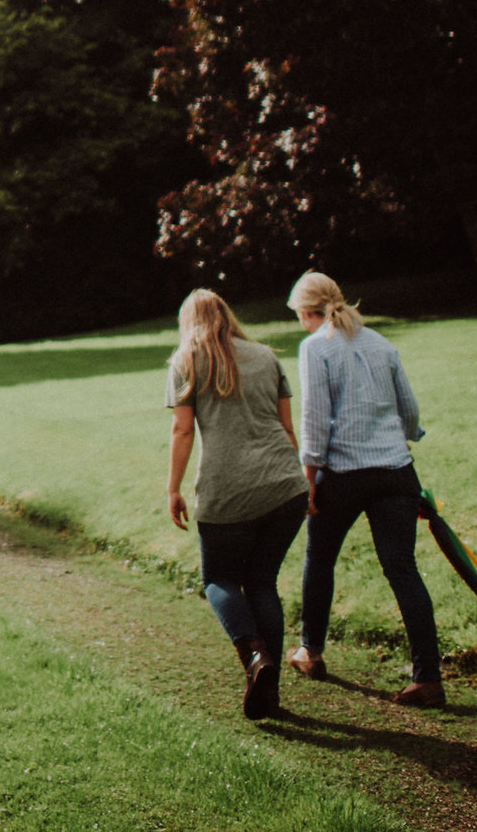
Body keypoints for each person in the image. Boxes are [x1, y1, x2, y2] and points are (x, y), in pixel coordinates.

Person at [287, 270, 445, 707]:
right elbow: (409, 410)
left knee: (320, 559)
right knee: (403, 569)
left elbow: (315, 419)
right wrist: (404, 436)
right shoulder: (381, 343)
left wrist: (310, 477)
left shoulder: (314, 347)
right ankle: (427, 678)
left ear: (307, 312)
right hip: (396, 470)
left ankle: (310, 652)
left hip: (343, 473)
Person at [165, 288, 309, 720]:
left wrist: (172, 488)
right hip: (286, 485)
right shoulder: (266, 356)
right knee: (263, 583)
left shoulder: (185, 360)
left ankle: (253, 655)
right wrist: (300, 482)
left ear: (187, 322)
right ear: (227, 316)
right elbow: (286, 428)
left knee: (218, 580)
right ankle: (269, 692)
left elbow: (183, 431)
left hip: (227, 490)